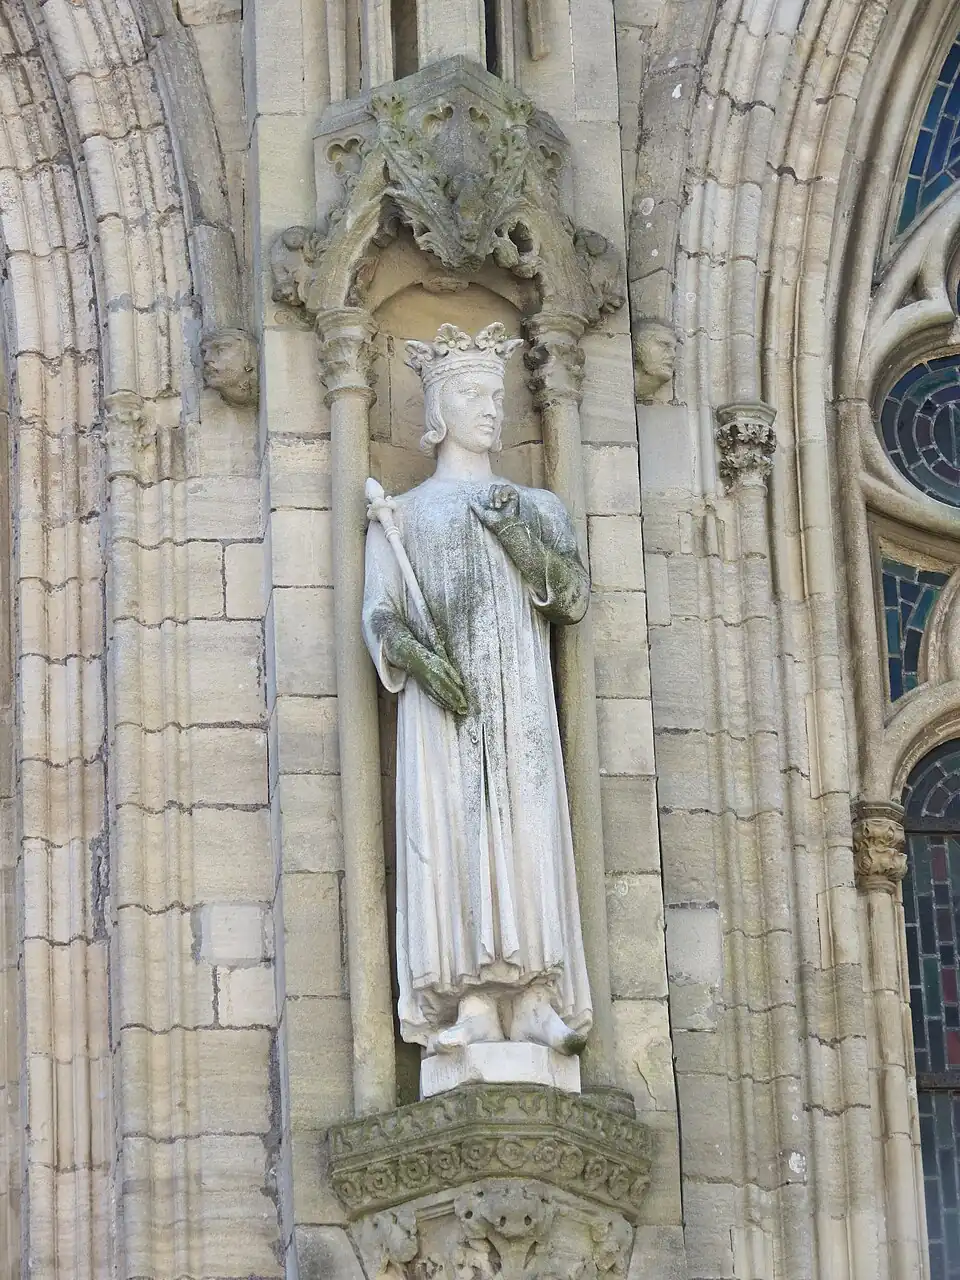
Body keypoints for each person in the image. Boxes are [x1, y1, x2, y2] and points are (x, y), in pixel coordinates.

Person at [362, 323, 593, 1058]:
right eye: (470, 394)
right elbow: (381, 615)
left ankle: (531, 999)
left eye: (495, 394)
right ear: (436, 413)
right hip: (445, 711)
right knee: (454, 838)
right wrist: (420, 662)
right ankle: (469, 1002)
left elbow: (572, 598)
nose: (489, 408)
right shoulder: (404, 516)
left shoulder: (536, 506)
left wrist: (519, 535)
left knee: (524, 834)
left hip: (518, 700)